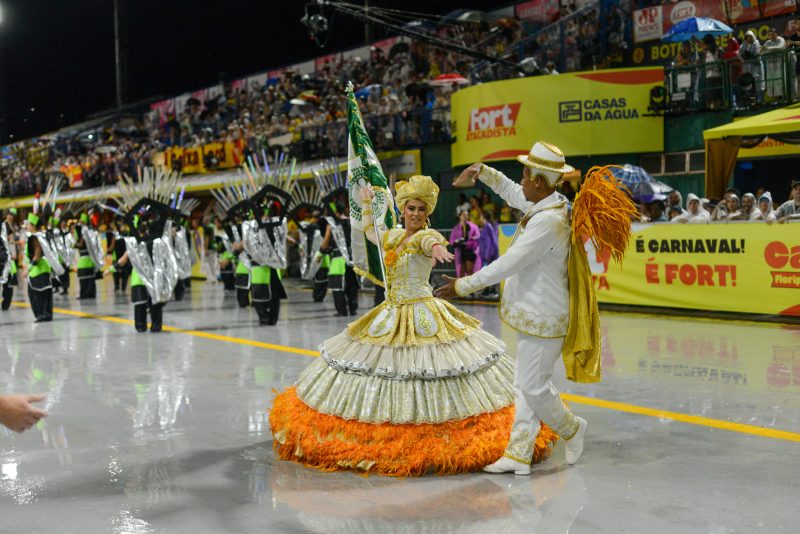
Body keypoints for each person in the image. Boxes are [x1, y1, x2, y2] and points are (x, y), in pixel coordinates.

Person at [270, 175, 557, 476]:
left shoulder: (425, 236)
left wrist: (436, 247)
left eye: (421, 209)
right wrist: (367, 203)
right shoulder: (394, 236)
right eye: (411, 208)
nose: (416, 214)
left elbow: (429, 241)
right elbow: (371, 231)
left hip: (422, 312)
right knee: (385, 372)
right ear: (403, 210)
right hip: (391, 313)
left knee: (428, 370)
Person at [436, 141, 625, 475]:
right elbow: (513, 193)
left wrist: (463, 285)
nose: (521, 180)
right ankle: (519, 454)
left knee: (533, 386)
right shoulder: (550, 202)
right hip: (536, 313)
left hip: (545, 315)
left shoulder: (548, 222)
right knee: (525, 385)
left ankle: (572, 428)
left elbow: (510, 262)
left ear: (539, 181)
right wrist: (484, 173)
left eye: (525, 175)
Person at [451, 209, 482, 278]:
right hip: (460, 252)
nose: (465, 216)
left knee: (469, 271)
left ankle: (470, 284)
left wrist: (469, 242)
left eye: (467, 215)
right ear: (459, 216)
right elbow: (452, 241)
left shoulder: (474, 226)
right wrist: (458, 241)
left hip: (471, 251)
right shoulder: (456, 228)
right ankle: (463, 285)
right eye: (463, 214)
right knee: (461, 272)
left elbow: (478, 237)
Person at [478, 209, 499, 297]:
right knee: (489, 272)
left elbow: (490, 242)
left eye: (480, 216)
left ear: (483, 216)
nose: (480, 218)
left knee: (488, 272)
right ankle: (490, 290)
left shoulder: (487, 226)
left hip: (488, 255)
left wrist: (487, 255)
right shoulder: (489, 226)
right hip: (488, 255)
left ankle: (491, 290)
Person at [762, 28, 787, 102]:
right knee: (772, 83)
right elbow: (761, 52)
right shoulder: (767, 42)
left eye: (773, 34)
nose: (771, 36)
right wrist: (764, 50)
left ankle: (784, 99)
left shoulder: (781, 40)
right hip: (770, 66)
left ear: (776, 34)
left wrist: (768, 49)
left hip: (780, 65)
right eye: (769, 35)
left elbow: (780, 47)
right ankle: (776, 100)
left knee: (781, 83)